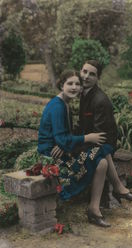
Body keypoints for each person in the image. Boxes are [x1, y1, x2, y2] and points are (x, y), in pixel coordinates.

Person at [52, 61, 132, 227]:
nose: (86, 76)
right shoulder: (84, 93)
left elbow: (98, 136)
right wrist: (65, 140)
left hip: (103, 142)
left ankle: (116, 189)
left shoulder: (100, 100)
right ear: (80, 71)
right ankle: (98, 206)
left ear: (98, 78)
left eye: (91, 74)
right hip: (93, 140)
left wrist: (69, 144)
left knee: (99, 153)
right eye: (84, 71)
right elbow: (83, 126)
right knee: (101, 163)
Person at [38, 69, 113, 227]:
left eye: (77, 84)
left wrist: (63, 144)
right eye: (69, 83)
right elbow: (62, 139)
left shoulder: (65, 103)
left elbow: (63, 137)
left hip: (61, 149)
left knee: (102, 162)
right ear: (61, 85)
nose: (74, 87)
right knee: (100, 150)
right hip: (51, 156)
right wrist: (88, 137)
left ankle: (93, 209)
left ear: (81, 88)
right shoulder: (58, 106)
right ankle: (114, 192)